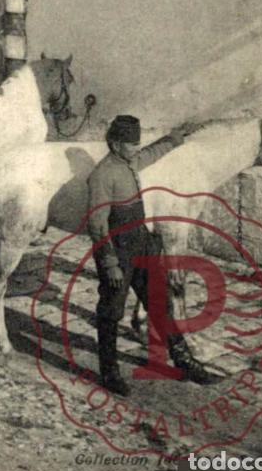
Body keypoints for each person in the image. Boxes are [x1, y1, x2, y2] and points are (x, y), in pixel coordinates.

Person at [88, 114, 212, 396]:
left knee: (160, 300)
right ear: (115, 144)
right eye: (131, 144)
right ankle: (109, 372)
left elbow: (151, 153)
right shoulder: (101, 175)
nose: (136, 148)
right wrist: (110, 264)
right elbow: (97, 224)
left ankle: (183, 360)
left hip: (141, 243)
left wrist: (175, 138)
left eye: (137, 143)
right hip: (117, 249)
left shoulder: (129, 161)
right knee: (111, 311)